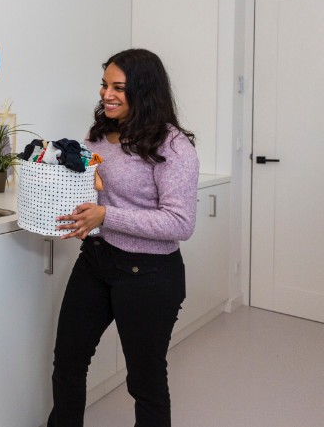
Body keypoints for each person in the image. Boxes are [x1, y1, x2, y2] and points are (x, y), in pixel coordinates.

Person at [47, 48, 199, 427]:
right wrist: (82, 213)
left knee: (144, 381)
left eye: (119, 88)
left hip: (148, 274)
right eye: (104, 86)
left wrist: (105, 214)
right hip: (96, 260)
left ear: (145, 92)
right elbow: (93, 192)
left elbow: (180, 223)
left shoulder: (174, 146)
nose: (107, 95)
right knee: (67, 362)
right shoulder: (98, 134)